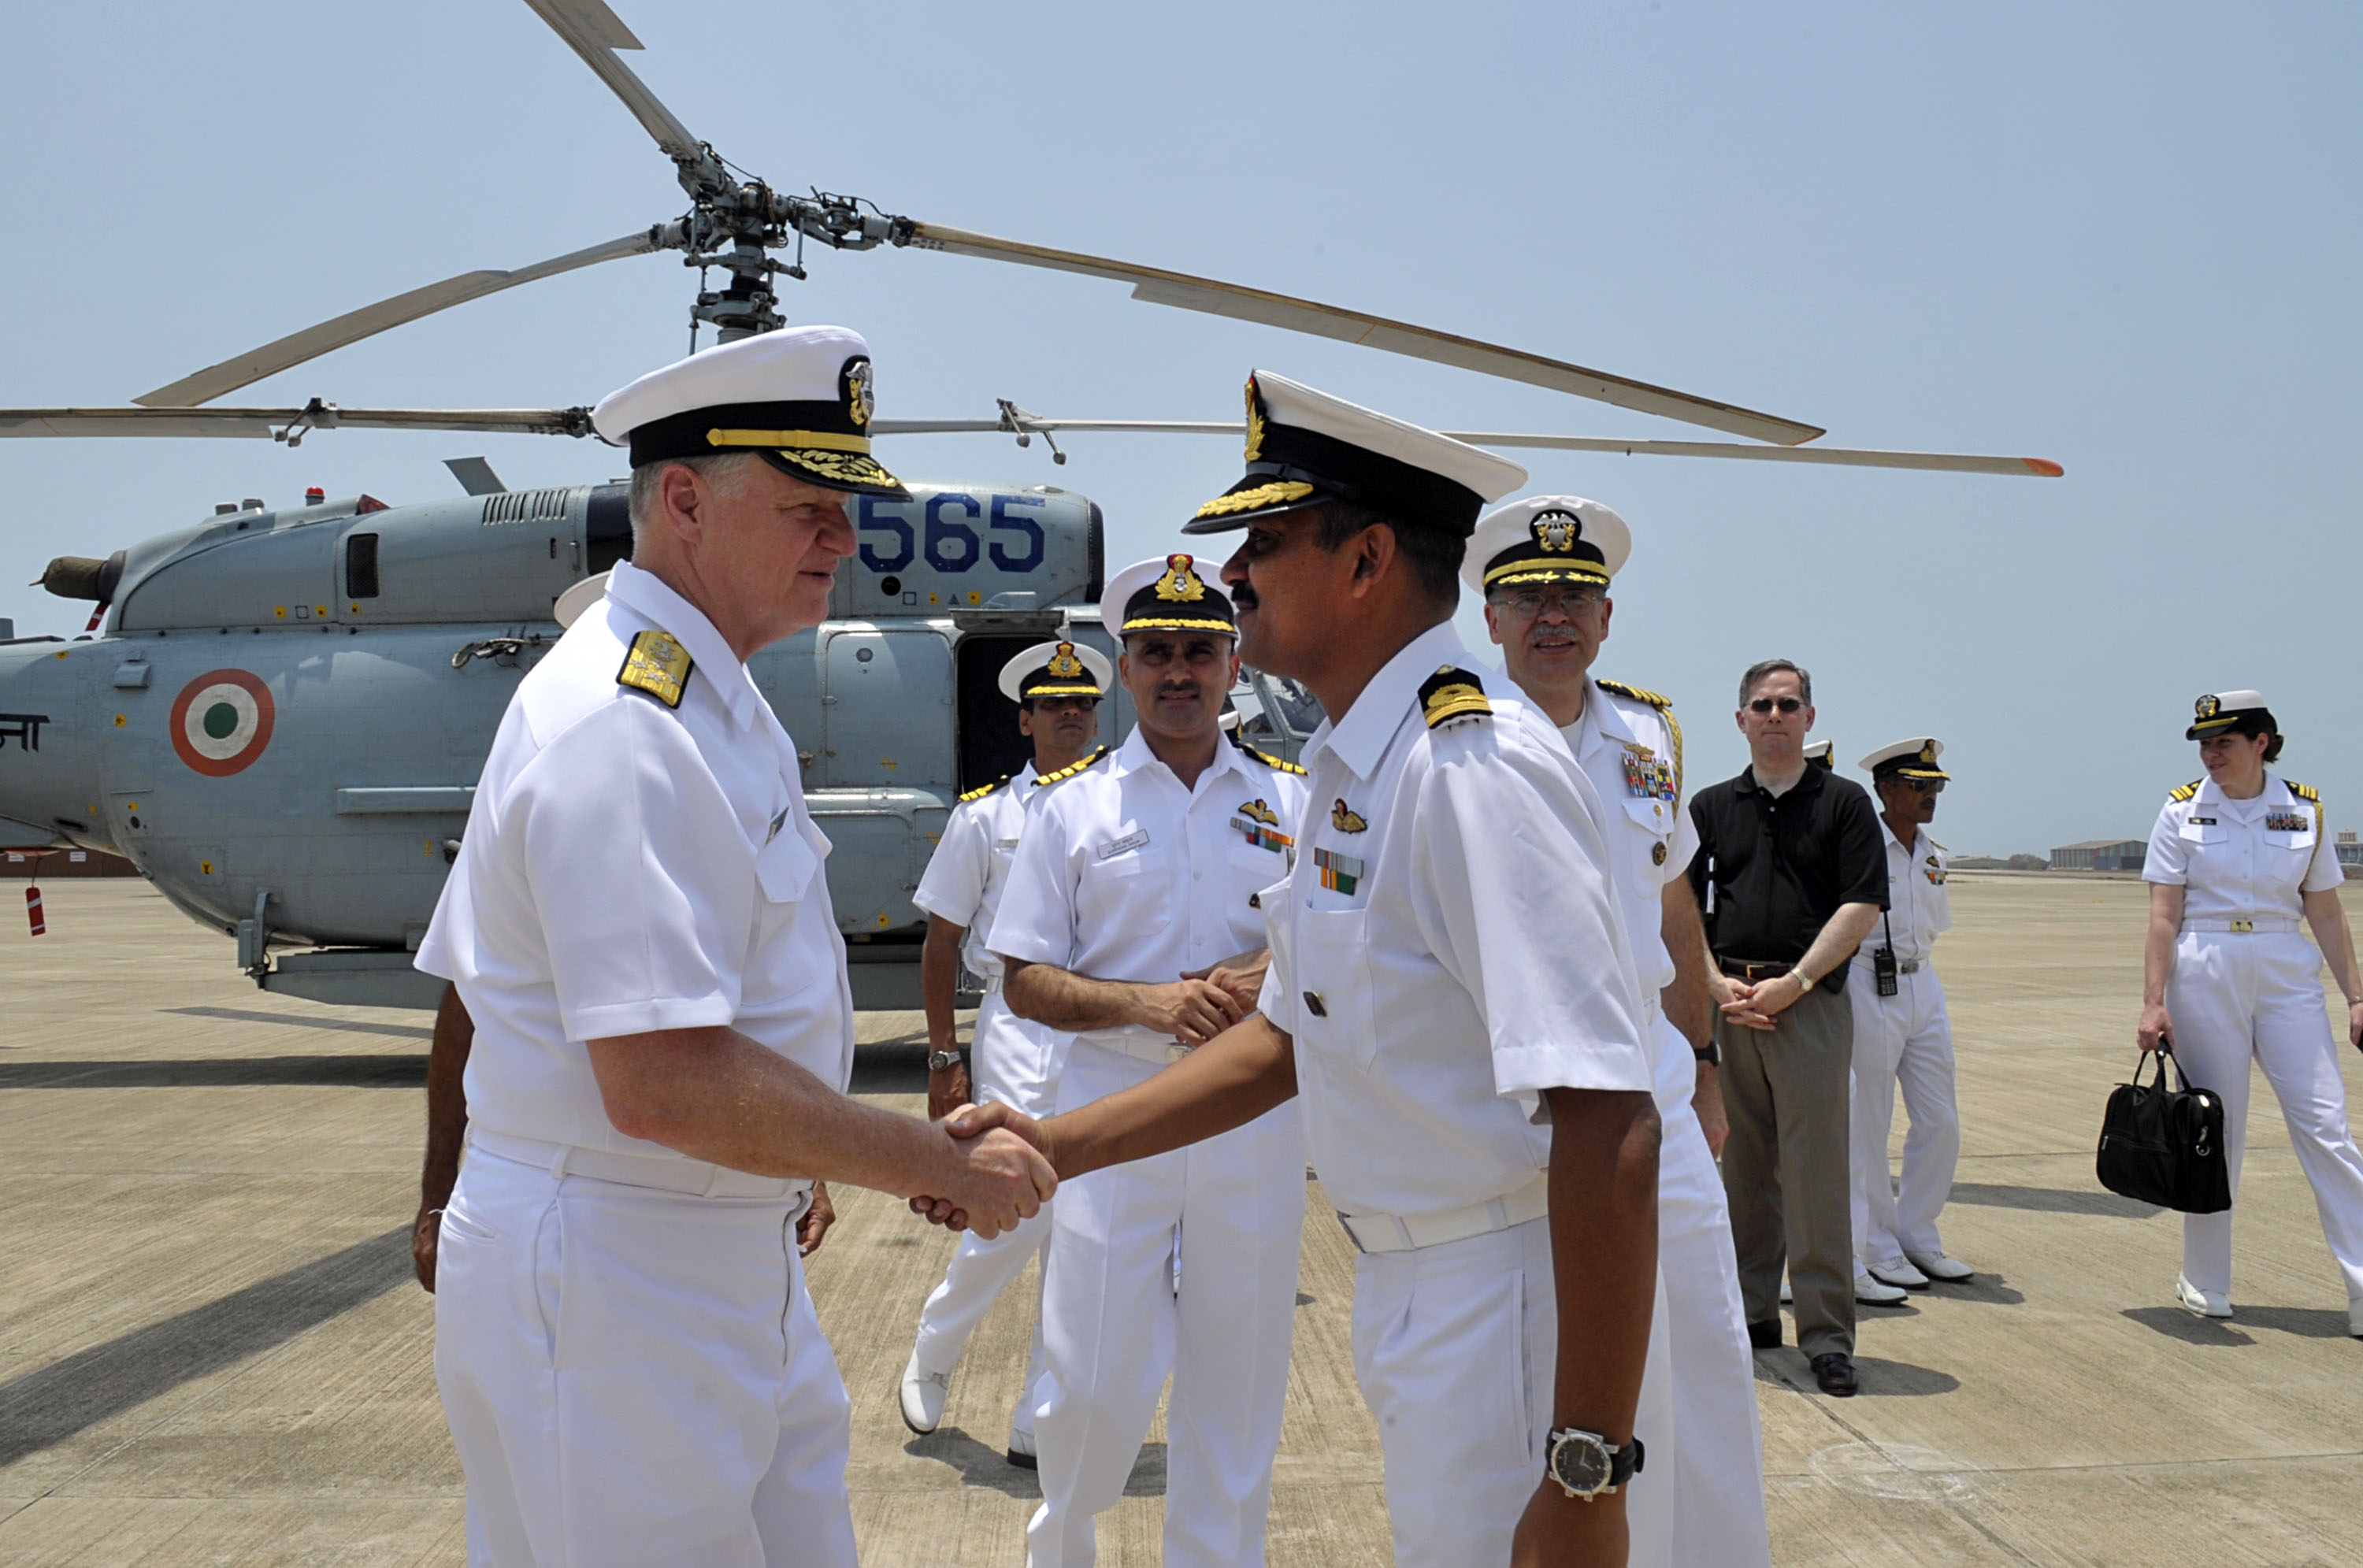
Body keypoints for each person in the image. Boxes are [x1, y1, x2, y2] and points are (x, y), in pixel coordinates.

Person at [939, 370, 1668, 1567]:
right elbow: (1283, 1039)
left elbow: (1609, 1116)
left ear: (1369, 559)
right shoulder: (1357, 768)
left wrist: (1587, 1467)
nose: (1235, 576)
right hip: (1423, 1287)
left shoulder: (1464, 764)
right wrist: (1052, 1145)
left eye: (1266, 542)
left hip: (1506, 1302)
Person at [414, 325, 1055, 1567]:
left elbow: (735, 1011)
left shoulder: (723, 699)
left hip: (716, 1246)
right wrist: (921, 1153)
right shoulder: (623, 720)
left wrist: (806, 1152)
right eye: (808, 506)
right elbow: (661, 1079)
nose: (844, 538)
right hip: (613, 1272)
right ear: (687, 500)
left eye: (846, 507)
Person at [984, 551, 1310, 1567]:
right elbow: (1024, 979)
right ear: (1125, 669)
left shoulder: (1290, 800)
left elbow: (1344, 928)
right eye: (1159, 652)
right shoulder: (1069, 807)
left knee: (1240, 1373)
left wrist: (1264, 968)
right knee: (1091, 1378)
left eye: (1201, 651)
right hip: (1113, 1107)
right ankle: (1065, 1537)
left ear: (1232, 664)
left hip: (1250, 1114)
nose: (1181, 671)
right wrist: (1153, 1003)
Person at [1468, 495, 1768, 1568]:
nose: (1556, 613)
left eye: (1576, 595)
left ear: (1608, 616)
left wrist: (1703, 1064)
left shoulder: (1647, 734)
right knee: (1553, 1357)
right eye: (1530, 595)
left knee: (1705, 1344)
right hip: (1519, 1080)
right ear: (1490, 615)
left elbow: (1672, 903)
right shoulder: (1456, 739)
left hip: (1650, 1066)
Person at [897, 638, 1112, 1464]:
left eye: (1084, 702)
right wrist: (942, 1056)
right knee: (1018, 1198)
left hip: (1101, 1024)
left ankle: (1037, 1414)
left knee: (1082, 1223)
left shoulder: (1124, 806)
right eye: (1054, 703)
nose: (1070, 713)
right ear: (1025, 719)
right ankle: (936, 1343)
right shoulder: (986, 815)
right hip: (1018, 1022)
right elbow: (942, 939)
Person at [1688, 659, 1885, 1396]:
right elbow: (1680, 900)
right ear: (1740, 719)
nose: (1775, 715)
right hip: (1729, 1000)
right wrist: (1712, 982)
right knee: (1739, 1168)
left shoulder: (1844, 804)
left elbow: (1861, 904)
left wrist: (1794, 983)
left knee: (1815, 1173)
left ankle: (1828, 1333)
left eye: (1788, 704)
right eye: (1761, 705)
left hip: (1808, 1006)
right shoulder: (1709, 806)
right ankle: (1751, 1311)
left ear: (1809, 717)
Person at [2137, 690, 2363, 1331]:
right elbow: (2163, 914)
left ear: (2262, 741)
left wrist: (2356, 994)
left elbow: (2323, 908)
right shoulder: (2180, 811)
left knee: (2325, 1124)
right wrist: (2153, 1002)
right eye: (2205, 744)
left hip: (2285, 969)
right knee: (2215, 1129)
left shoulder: (2304, 810)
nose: (2211, 754)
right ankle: (2204, 1278)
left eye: (2224, 743)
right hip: (2204, 965)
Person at [1849, 738, 1974, 1292]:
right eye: (1919, 786)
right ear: (1886, 789)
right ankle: (1875, 1242)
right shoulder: (1859, 845)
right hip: (1869, 980)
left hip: (1925, 982)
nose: (1930, 795)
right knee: (1870, 1121)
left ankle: (1918, 1231)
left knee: (1940, 1119)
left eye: (1936, 786)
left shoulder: (1932, 852)